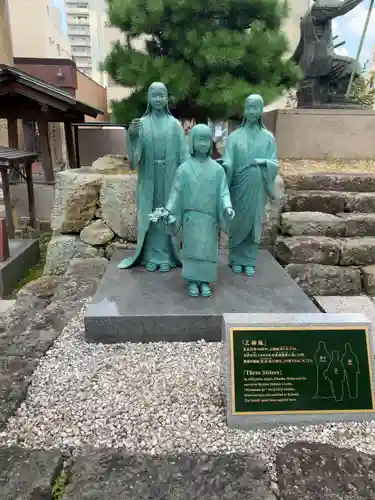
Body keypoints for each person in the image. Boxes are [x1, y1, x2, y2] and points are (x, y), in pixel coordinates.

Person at [149, 124, 235, 297]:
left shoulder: (218, 170)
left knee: (207, 251)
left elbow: (223, 192)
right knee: (192, 251)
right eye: (199, 139)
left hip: (209, 220)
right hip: (190, 219)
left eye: (206, 139)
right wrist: (168, 211)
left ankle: (205, 281)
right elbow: (175, 193)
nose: (203, 143)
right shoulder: (184, 169)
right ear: (192, 142)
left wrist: (227, 206)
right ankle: (193, 281)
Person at [117, 82, 189, 272]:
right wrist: (133, 136)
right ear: (148, 98)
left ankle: (167, 256)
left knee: (167, 213)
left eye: (162, 95)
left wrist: (186, 179)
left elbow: (184, 156)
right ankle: (149, 255)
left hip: (170, 178)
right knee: (150, 215)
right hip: (149, 178)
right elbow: (134, 160)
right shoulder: (142, 123)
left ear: (167, 99)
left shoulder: (175, 125)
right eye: (154, 95)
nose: (158, 99)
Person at [221, 94, 279, 276]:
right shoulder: (234, 137)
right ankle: (236, 259)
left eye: (256, 108)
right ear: (244, 110)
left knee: (255, 222)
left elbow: (274, 163)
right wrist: (226, 167)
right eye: (249, 108)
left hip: (257, 186)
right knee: (238, 221)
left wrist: (264, 162)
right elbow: (228, 159)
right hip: (239, 185)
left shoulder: (268, 138)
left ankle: (249, 260)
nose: (252, 112)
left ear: (262, 110)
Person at [291, 0, 364, 84]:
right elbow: (341, 7)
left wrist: (287, 66)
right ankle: (336, 94)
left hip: (306, 67)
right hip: (321, 63)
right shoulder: (319, 7)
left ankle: (327, 89)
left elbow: (301, 48)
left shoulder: (306, 18)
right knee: (353, 65)